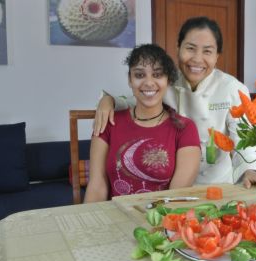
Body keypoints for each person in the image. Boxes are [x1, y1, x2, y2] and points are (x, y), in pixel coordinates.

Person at [93, 17, 256, 188]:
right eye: (190, 48)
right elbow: (134, 101)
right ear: (178, 48)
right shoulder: (167, 83)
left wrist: (250, 169)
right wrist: (109, 100)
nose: (197, 59)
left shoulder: (232, 88)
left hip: (217, 185)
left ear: (217, 56)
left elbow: (245, 139)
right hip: (174, 185)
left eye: (207, 51)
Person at [84, 44, 201, 203]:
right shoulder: (108, 122)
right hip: (115, 218)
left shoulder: (185, 128)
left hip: (160, 221)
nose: (148, 83)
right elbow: (97, 185)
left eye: (157, 75)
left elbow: (176, 197)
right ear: (130, 80)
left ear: (168, 80)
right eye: (139, 75)